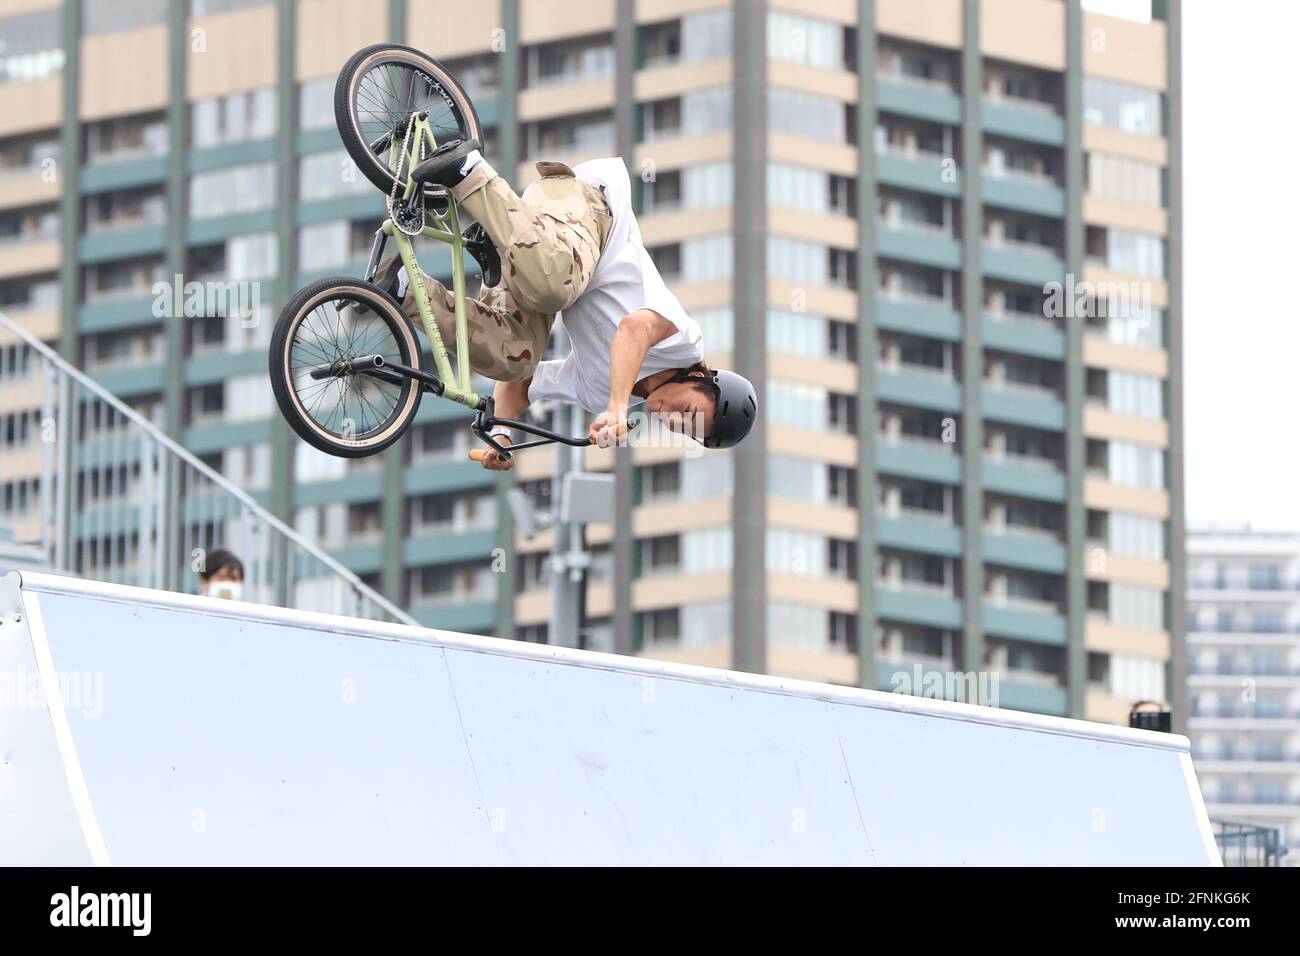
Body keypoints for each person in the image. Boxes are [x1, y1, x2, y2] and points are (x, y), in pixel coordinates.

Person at [369, 139, 757, 471]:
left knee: (514, 359)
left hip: (547, 265)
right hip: (583, 210)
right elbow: (632, 331)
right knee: (556, 288)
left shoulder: (595, 392)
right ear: (702, 378)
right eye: (687, 413)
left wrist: (502, 434)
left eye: (681, 429)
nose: (672, 420)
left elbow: (521, 388)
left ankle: (405, 288)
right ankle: (468, 169)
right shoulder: (684, 343)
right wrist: (617, 407)